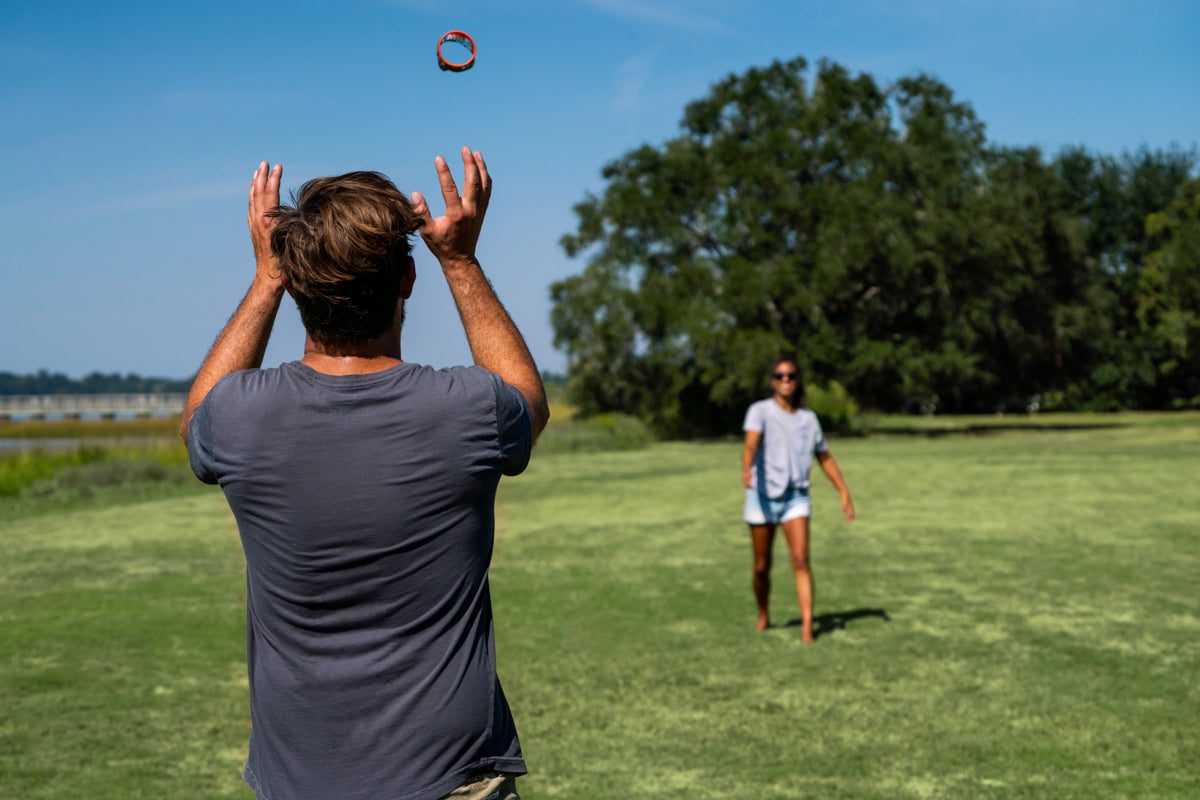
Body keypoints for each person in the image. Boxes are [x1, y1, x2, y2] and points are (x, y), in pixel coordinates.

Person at [179, 148, 549, 800]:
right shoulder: (470, 409)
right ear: (407, 280)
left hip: (301, 784)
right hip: (451, 779)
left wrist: (266, 274)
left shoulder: (238, 418)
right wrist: (459, 261)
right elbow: (529, 400)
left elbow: (196, 424)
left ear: (295, 285)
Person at [742, 356, 854, 642]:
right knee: (761, 566)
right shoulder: (760, 411)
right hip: (762, 496)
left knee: (801, 558)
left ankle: (807, 626)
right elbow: (752, 442)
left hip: (796, 497)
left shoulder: (809, 419)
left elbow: (824, 457)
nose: (785, 380)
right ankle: (763, 613)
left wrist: (843, 492)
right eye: (779, 376)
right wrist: (747, 467)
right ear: (772, 381)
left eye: (791, 375)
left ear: (798, 379)